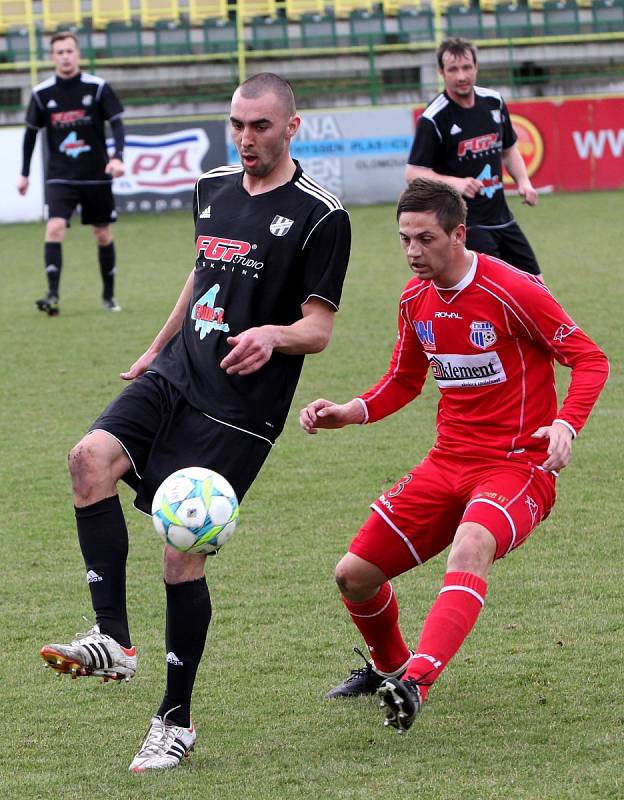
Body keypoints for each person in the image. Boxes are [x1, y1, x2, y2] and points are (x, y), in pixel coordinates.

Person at [39, 73, 351, 770]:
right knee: (87, 459)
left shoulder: (322, 213)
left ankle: (175, 719)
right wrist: (156, 347)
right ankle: (113, 639)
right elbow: (202, 270)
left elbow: (320, 328)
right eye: (237, 124)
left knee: (181, 550)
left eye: (261, 126)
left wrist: (274, 335)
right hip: (178, 371)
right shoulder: (212, 187)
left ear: (291, 127)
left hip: (243, 410)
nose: (245, 138)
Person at [300, 178, 608, 734]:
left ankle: (416, 681)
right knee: (353, 576)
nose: (413, 252)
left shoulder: (512, 289)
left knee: (472, 543)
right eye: (404, 239)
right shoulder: (414, 299)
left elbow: (589, 359)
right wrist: (349, 411)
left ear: (459, 233)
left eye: (426, 238)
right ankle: (391, 669)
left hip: (518, 465)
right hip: (447, 463)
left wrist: (567, 423)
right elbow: (403, 381)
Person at [406, 37, 541, 276]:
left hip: (502, 217)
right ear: (441, 72)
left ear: (476, 67)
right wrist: (456, 183)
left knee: (536, 284)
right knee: (497, 287)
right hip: (467, 223)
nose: (461, 76)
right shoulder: (433, 118)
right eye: (453, 69)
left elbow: (508, 149)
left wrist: (523, 181)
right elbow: (413, 174)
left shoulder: (494, 102)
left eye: (467, 67)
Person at [17, 31, 125, 315]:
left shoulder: (98, 88)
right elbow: (30, 136)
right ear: (52, 57)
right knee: (54, 227)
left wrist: (118, 157)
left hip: (96, 174)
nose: (65, 56)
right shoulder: (42, 95)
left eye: (69, 51)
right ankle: (52, 294)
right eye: (59, 52)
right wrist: (24, 173)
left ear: (78, 54)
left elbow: (117, 123)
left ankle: (109, 296)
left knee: (102, 233)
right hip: (61, 175)